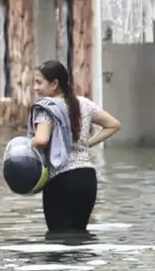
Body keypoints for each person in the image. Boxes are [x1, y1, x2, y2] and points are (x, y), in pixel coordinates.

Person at [31, 59, 121, 234]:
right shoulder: (84, 104)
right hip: (87, 179)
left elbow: (41, 140)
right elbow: (114, 124)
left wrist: (27, 144)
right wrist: (86, 144)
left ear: (55, 84)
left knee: (59, 242)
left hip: (61, 180)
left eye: (39, 82)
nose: (35, 87)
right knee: (79, 236)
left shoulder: (47, 109)